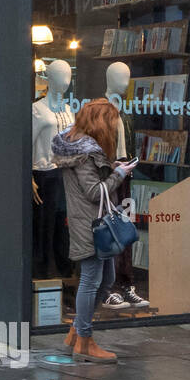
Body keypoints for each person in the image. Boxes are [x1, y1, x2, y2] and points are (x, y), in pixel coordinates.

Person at [50, 98, 134, 364]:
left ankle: (75, 332)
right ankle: (84, 342)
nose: (114, 129)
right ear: (100, 123)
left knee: (106, 279)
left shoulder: (79, 145)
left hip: (91, 221)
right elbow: (95, 192)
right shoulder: (85, 152)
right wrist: (119, 173)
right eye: (112, 124)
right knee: (91, 280)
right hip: (90, 224)